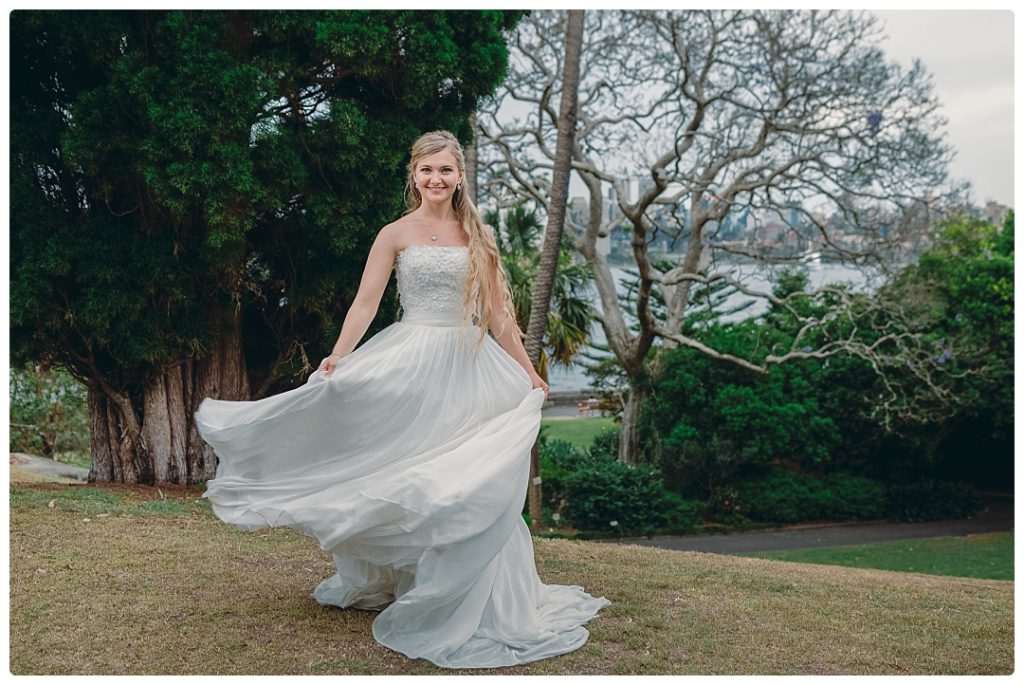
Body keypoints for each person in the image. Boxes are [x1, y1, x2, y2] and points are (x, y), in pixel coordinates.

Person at [193, 130, 610, 669]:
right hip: (410, 359)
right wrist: (339, 357)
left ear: (460, 176)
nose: (436, 179)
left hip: (467, 367)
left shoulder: (477, 237)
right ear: (413, 176)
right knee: (404, 469)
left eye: (446, 170)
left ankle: (474, 595)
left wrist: (530, 373)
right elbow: (366, 304)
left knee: (462, 480)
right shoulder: (394, 233)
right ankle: (409, 577)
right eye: (427, 170)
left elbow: (501, 318)